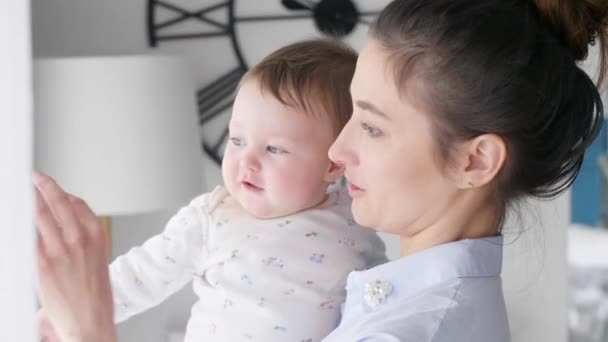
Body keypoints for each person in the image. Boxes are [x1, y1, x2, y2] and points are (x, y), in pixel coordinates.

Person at [34, 0, 608, 341]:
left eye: (372, 125)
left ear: (474, 159)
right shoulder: (390, 297)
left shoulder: (403, 330)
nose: (336, 151)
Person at [35, 39, 387, 342]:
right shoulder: (214, 217)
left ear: (332, 164)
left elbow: (383, 296)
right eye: (236, 140)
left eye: (274, 149)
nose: (246, 162)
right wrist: (55, 317)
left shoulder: (353, 221)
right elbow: (138, 276)